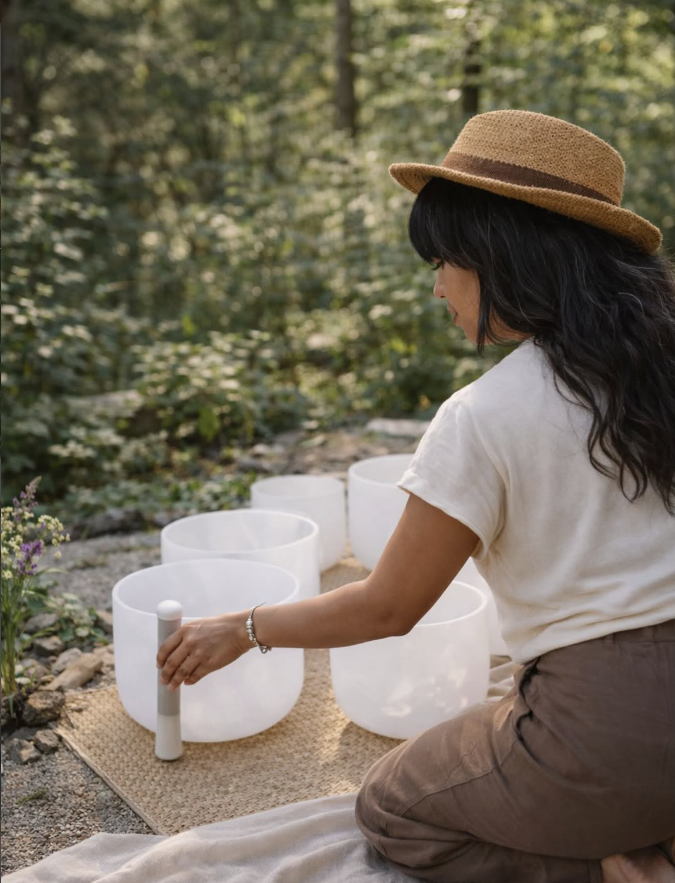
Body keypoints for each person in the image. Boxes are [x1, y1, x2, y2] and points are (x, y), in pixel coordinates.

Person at [156, 111, 675, 883]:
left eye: (442, 261)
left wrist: (247, 626)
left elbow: (387, 607)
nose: (436, 287)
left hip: (613, 726)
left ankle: (615, 862)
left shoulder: (483, 414)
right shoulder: (656, 365)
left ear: (503, 254)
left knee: (391, 806)